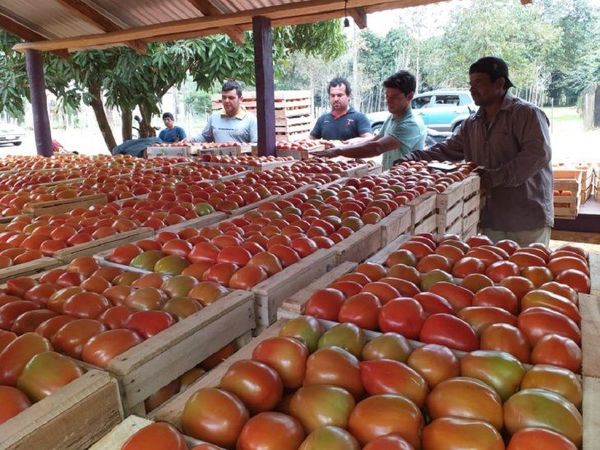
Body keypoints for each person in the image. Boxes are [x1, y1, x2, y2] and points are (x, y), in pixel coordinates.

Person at [397, 56, 553, 246]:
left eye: (479, 83)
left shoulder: (527, 114)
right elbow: (447, 149)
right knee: (494, 272)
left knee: (529, 272)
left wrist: (494, 176)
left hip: (525, 218)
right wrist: (414, 157)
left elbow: (537, 155)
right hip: (490, 216)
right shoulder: (472, 123)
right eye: (470, 84)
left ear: (500, 83)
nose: (472, 89)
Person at [312, 71, 427, 171]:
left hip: (406, 182)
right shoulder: (392, 118)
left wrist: (339, 151)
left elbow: (377, 147)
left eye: (394, 97)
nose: (388, 101)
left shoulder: (411, 124)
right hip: (391, 178)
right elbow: (374, 140)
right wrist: (341, 147)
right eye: (387, 96)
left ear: (410, 96)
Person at [188, 80, 257, 144]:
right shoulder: (214, 117)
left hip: (241, 157)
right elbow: (205, 137)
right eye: (224, 97)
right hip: (218, 157)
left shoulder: (251, 120)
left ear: (240, 99)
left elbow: (255, 144)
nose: (226, 101)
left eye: (231, 98)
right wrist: (191, 140)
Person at [310, 77, 373, 142]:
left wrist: (354, 142)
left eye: (339, 95)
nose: (336, 99)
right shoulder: (323, 119)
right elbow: (310, 139)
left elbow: (369, 139)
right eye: (332, 95)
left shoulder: (359, 118)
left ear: (349, 96)